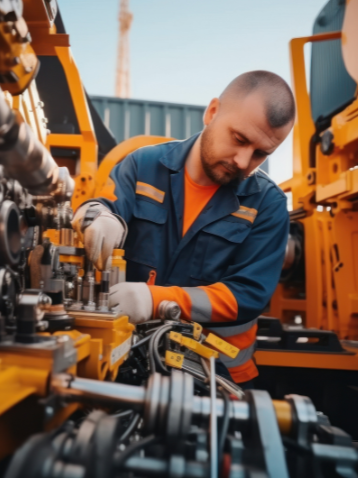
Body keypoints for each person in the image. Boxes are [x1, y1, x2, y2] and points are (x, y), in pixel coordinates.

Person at [72, 71, 294, 387]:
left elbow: (248, 293)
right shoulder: (143, 165)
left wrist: (155, 299)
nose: (244, 161)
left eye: (261, 153)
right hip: (127, 354)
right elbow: (102, 205)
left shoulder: (267, 203)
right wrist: (97, 219)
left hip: (213, 370)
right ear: (213, 112)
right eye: (239, 139)